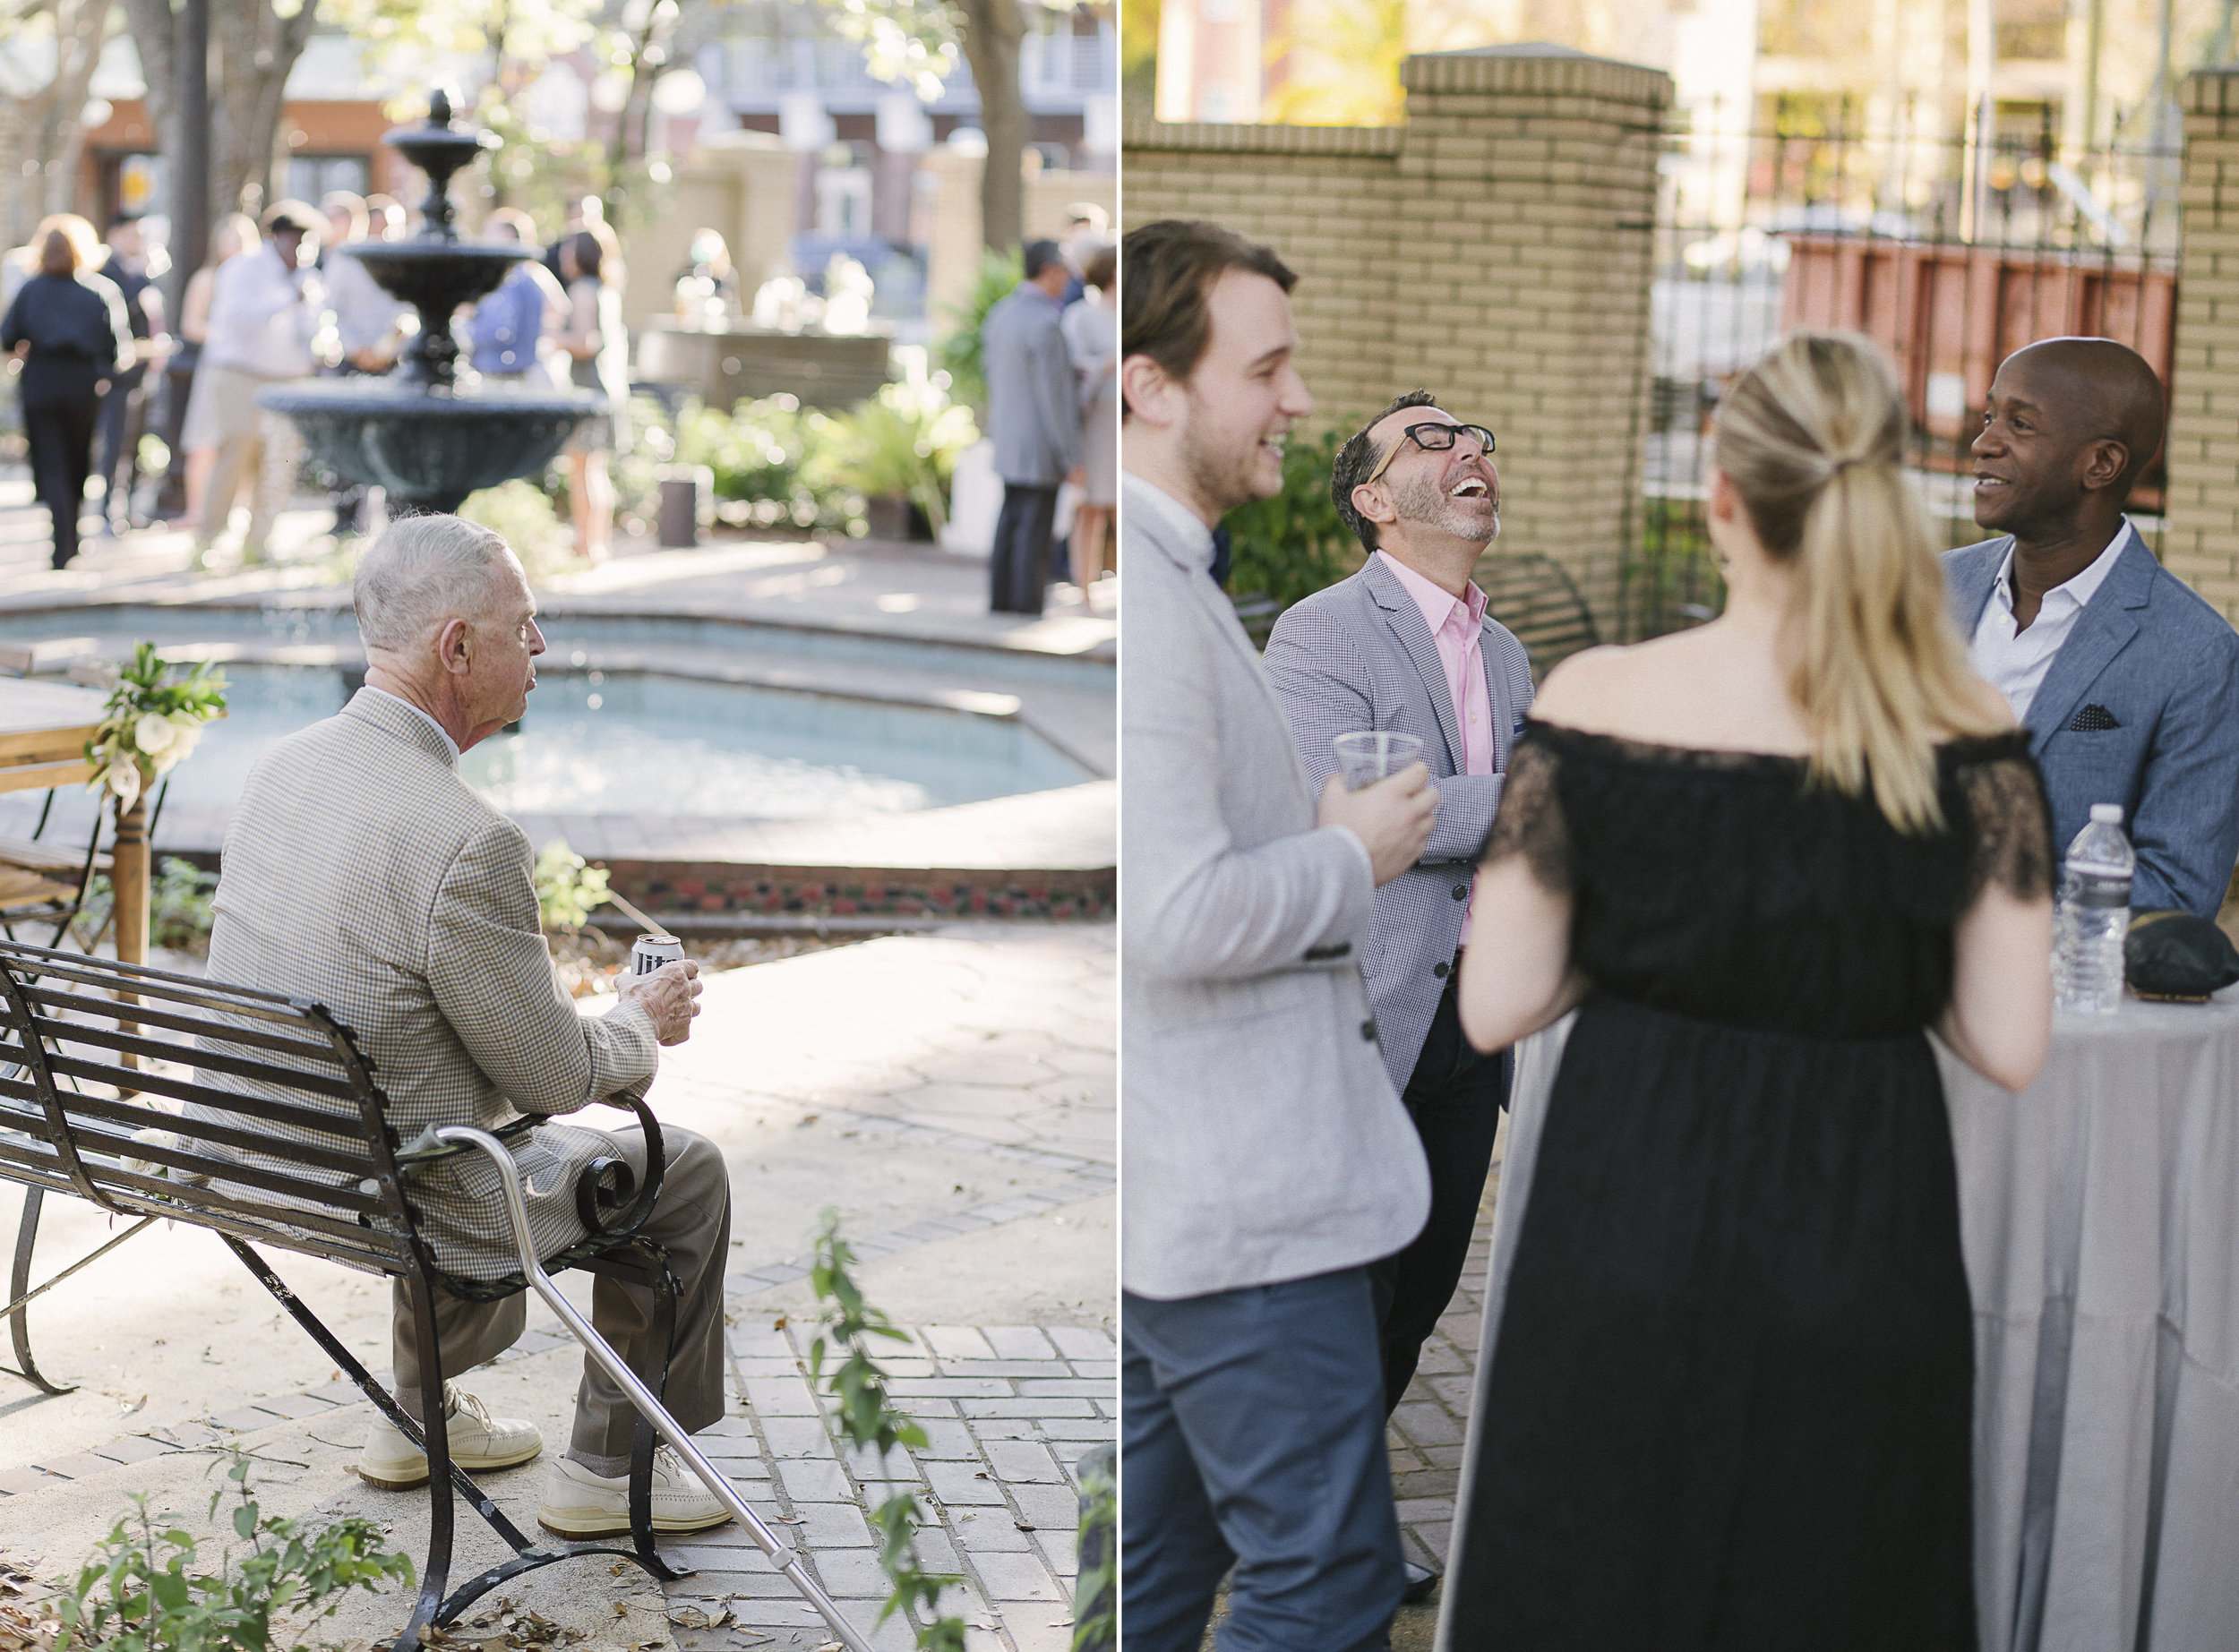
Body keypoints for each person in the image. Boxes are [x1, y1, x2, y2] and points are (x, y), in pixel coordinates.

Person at [1442, 332, 2055, 1648]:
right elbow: (2007, 1040)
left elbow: (1494, 1004)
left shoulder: (1599, 701)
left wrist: (1663, 929)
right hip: (1859, 1229)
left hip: (1625, 1215)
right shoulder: (1963, 726)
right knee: (1829, 1579)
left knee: (1600, 1575)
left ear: (1720, 494)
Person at [191, 513, 734, 1537]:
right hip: (406, 1184)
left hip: (268, 1156)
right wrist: (639, 1022)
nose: (541, 649)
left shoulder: (280, 768)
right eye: (524, 626)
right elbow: (554, 1078)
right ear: (457, 648)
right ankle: (611, 1475)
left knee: (425, 1114)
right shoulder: (467, 838)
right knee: (683, 1170)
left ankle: (413, 1418)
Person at [1120, 218, 1440, 1652]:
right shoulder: (1150, 597)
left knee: (1142, 1595)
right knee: (1321, 1592)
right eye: (1269, 368)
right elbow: (1175, 912)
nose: (1299, 401)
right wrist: (1347, 853)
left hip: (1178, 1204)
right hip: (1239, 1205)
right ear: (1149, 386)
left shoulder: (1169, 574)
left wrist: (1300, 826)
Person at [1263, 390, 1533, 1603]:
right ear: (1375, 499)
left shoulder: (1509, 649)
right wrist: (1542, 802)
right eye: (1432, 439)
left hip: (1477, 1019)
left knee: (1420, 1291)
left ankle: (1341, 1524)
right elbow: (1363, 813)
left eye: (1475, 437)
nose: (1468, 450)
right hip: (1369, 1016)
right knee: (1345, 1300)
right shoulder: (1326, 633)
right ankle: (1314, 1548)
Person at [1946, 337, 2239, 917]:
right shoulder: (1926, 591)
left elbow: (2177, 887)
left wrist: (1955, 883)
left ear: (2101, 464)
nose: (1983, 443)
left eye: (2020, 425)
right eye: (1988, 416)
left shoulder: (2197, 654)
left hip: (2051, 994)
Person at [187, 203, 322, 566]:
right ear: (276, 238)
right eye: (296, 240)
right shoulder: (243, 269)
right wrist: (286, 300)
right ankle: (209, 540)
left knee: (280, 461)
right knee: (235, 452)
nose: (302, 248)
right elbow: (237, 319)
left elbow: (314, 326)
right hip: (241, 373)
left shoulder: (309, 277)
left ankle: (259, 542)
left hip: (290, 378)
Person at [0, 216, 133, 569]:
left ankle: (63, 543)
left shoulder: (32, 289)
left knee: (51, 462)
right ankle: (70, 540)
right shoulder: (100, 291)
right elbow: (119, 351)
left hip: (41, 382)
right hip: (83, 386)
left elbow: (8, 337)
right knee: (77, 462)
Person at [982, 240, 1085, 615]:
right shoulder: (1047, 323)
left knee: (1010, 521)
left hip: (1008, 437)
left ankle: (1001, 599)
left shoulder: (1000, 313)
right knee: (1034, 529)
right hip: (1041, 443)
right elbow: (1054, 399)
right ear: (1049, 270)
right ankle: (1025, 605)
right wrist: (1072, 456)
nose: (1069, 279)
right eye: (1065, 271)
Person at [317, 191, 410, 536]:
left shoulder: (409, 262)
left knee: (395, 443)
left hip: (396, 363)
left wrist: (392, 344)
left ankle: (397, 521)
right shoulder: (346, 260)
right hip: (352, 361)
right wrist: (357, 349)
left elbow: (411, 312)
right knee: (346, 440)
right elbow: (331, 311)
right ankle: (345, 521)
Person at [169, 211, 257, 526]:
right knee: (204, 442)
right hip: (218, 367)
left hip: (249, 370)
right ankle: (197, 512)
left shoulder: (255, 281)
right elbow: (191, 324)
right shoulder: (208, 278)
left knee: (243, 445)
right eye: (227, 238)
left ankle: (235, 513)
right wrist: (226, 335)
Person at [90, 214, 166, 534]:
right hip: (117, 371)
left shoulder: (144, 272)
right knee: (115, 440)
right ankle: (107, 508)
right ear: (115, 234)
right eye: (133, 233)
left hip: (143, 367)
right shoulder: (107, 273)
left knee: (136, 441)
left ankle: (133, 504)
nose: (138, 240)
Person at [556, 227, 627, 561]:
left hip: (588, 390)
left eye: (568, 250)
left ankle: (585, 546)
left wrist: (552, 337)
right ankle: (599, 544)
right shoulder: (606, 289)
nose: (563, 256)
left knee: (581, 472)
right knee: (596, 471)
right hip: (607, 388)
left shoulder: (582, 290)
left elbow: (586, 343)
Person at [1060, 242, 1118, 607]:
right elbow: (1072, 370)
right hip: (1096, 419)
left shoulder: (1132, 315)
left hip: (1127, 420)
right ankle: (1084, 588)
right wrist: (1108, 363)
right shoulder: (1081, 316)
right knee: (1091, 507)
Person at [468, 210, 568, 382]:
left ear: (507, 235)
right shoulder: (534, 273)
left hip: (508, 376)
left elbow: (499, 329)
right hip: (520, 370)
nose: (483, 238)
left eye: (489, 232)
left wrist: (464, 331)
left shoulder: (514, 277)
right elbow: (561, 310)